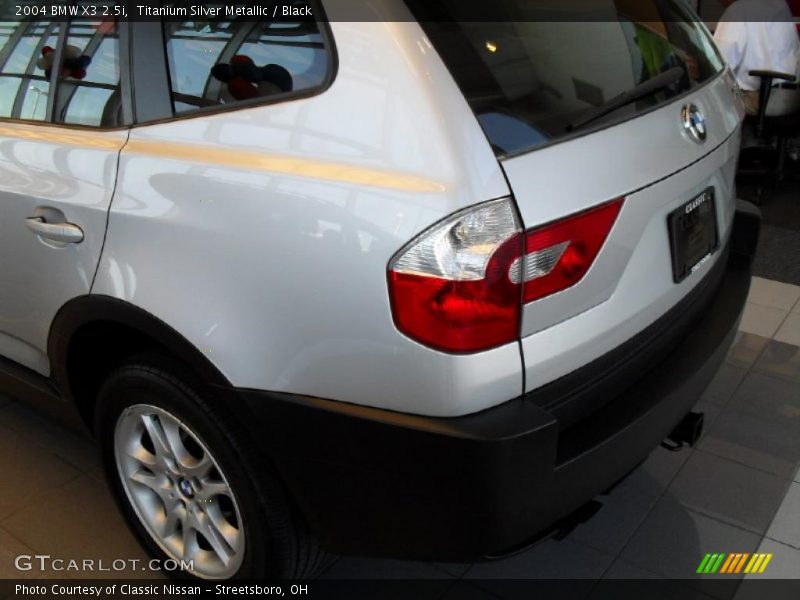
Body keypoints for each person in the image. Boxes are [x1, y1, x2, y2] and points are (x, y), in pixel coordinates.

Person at [714, 0, 800, 116]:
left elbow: (718, 65)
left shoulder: (738, 10)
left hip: (758, 98)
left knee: (712, 98)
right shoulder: (779, 4)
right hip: (792, 97)